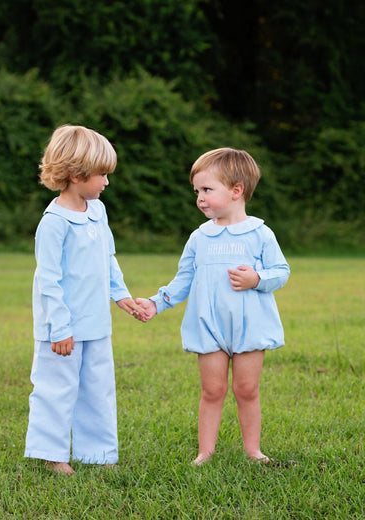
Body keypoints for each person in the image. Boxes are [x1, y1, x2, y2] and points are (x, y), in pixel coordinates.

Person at [136, 147, 290, 465]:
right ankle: (205, 452)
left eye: (207, 189)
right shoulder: (199, 238)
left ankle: (253, 451)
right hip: (209, 325)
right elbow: (183, 280)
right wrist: (156, 303)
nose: (200, 198)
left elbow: (281, 272)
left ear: (237, 191)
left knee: (246, 389)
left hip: (250, 326)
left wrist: (257, 278)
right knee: (212, 389)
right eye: (197, 191)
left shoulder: (260, 234)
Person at [24, 124, 143, 475]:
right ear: (76, 174)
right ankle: (53, 454)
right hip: (61, 331)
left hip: (96, 326)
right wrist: (59, 328)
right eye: (102, 174)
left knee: (98, 390)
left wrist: (121, 295)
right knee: (57, 390)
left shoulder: (97, 211)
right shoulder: (54, 223)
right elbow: (50, 281)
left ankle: (99, 454)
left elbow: (108, 258)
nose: (106, 182)